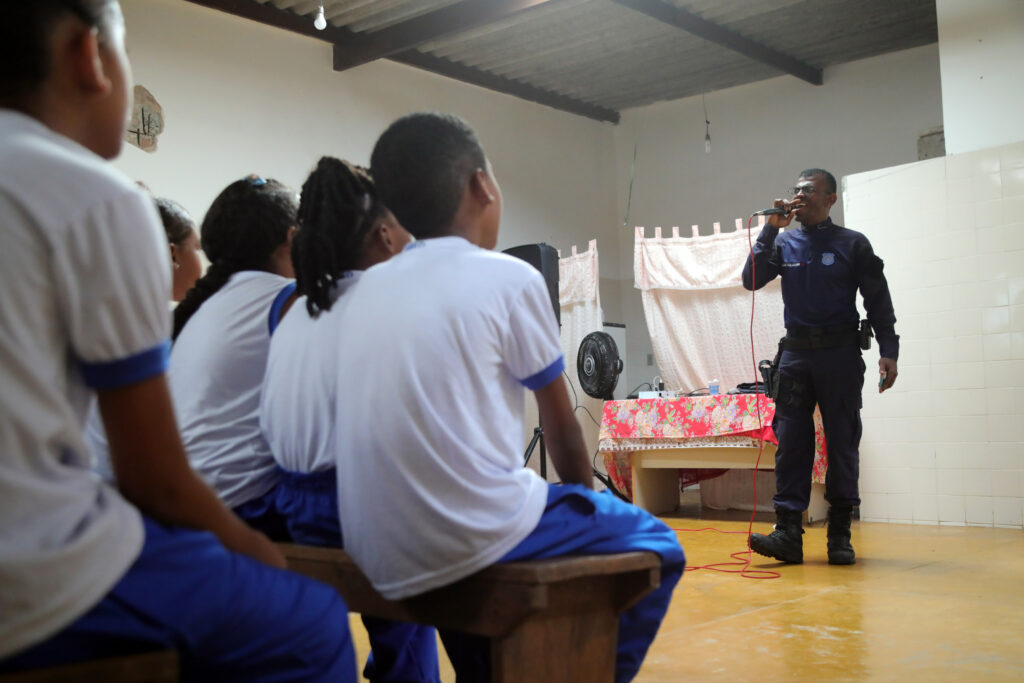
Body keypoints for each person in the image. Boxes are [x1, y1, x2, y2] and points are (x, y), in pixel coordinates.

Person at [0, 1, 355, 679]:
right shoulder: (97, 199)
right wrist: (259, 555)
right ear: (89, 57)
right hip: (34, 574)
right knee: (310, 620)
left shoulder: (207, 304)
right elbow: (155, 480)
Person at [328, 112, 686, 683]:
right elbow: (563, 429)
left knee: (477, 570)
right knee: (656, 542)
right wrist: (587, 513)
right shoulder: (508, 278)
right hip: (469, 533)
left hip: (372, 538)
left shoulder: (360, 292)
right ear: (482, 186)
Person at [260, 157, 440, 683]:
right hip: (363, 511)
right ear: (385, 234)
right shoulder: (395, 300)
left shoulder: (292, 307)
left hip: (293, 507)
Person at [742, 168, 899, 566]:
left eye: (809, 190)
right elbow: (751, 279)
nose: (799, 196)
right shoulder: (785, 242)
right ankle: (788, 535)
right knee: (791, 443)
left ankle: (840, 535)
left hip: (840, 355)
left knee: (842, 441)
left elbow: (878, 300)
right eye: (796, 190)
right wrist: (770, 231)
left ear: (830, 199)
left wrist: (889, 350)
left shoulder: (852, 244)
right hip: (795, 357)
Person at [169, 175, 300, 538]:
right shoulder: (287, 296)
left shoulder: (205, 304)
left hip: (187, 502)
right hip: (242, 506)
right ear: (292, 238)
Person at [85, 195, 203, 482]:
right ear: (174, 255)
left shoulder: (103, 313)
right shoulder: (148, 329)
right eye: (197, 250)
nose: (202, 265)